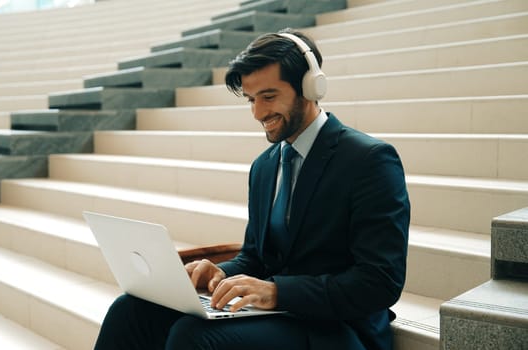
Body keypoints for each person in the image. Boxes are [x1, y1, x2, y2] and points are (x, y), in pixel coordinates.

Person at [94, 28, 410, 350]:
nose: (258, 113)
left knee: (193, 337)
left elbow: (380, 282)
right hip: (280, 317)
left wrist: (276, 292)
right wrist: (219, 273)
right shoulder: (265, 165)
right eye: (251, 99)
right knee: (130, 310)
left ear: (311, 86)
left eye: (269, 96)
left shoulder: (369, 160)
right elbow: (255, 256)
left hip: (337, 330)